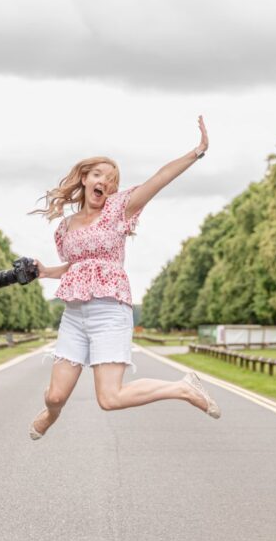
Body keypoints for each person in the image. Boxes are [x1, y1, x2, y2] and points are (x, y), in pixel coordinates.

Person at [27, 116, 221, 440]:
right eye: (97, 174)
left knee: (110, 398)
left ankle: (183, 388)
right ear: (85, 179)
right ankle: (51, 414)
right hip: (74, 315)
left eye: (110, 179)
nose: (103, 181)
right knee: (55, 396)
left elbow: (159, 179)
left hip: (110, 312)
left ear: (112, 190)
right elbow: (76, 266)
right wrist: (45, 270)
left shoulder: (119, 209)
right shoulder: (65, 228)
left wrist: (197, 151)